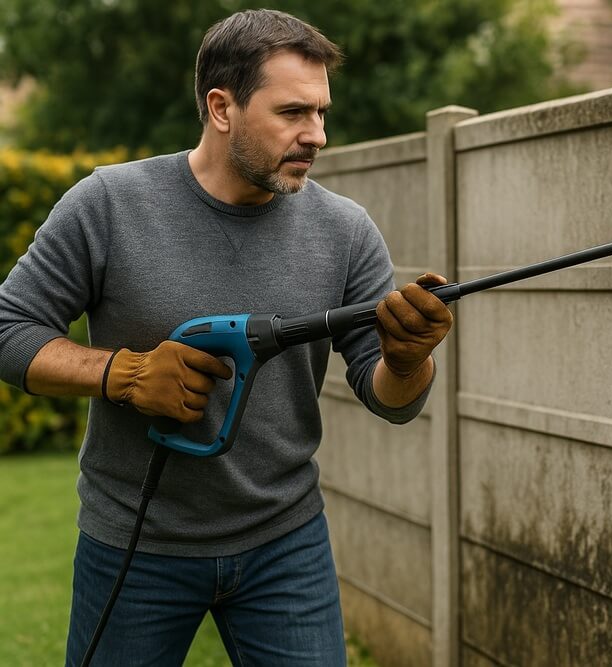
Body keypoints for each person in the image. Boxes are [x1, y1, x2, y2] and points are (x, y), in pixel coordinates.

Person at [0, 9, 452, 666]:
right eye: (294, 112)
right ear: (221, 107)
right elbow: (9, 328)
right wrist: (123, 374)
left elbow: (390, 396)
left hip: (285, 544)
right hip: (135, 543)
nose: (317, 134)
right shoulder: (109, 206)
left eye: (322, 113)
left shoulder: (345, 231)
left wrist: (407, 360)